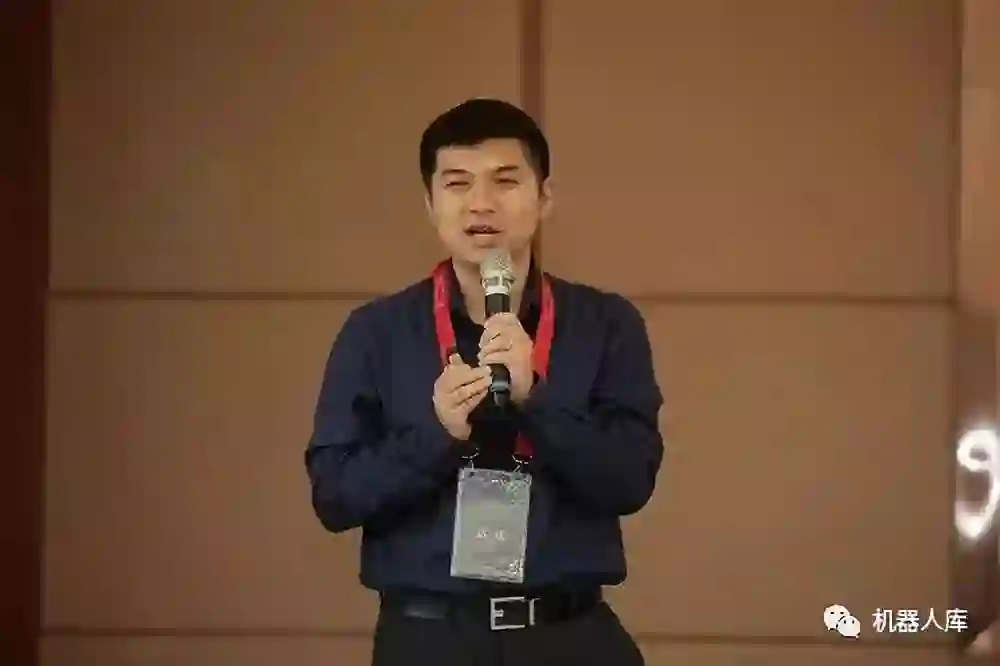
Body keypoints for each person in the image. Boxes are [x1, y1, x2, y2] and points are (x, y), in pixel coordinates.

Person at [305, 98, 664, 666]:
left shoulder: (605, 324)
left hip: (569, 635)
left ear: (544, 197)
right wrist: (438, 435)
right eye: (457, 183)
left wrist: (536, 401)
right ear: (430, 203)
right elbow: (334, 496)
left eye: (505, 181)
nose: (481, 203)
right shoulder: (376, 332)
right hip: (428, 639)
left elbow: (630, 480)